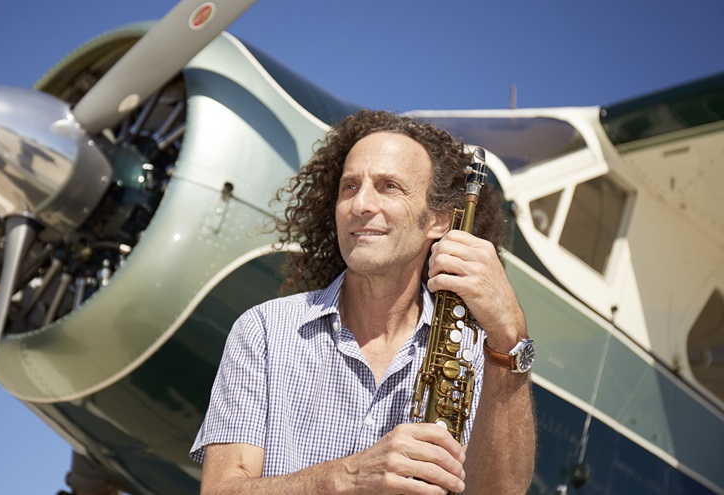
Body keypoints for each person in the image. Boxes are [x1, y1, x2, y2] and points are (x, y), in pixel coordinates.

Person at [190, 110, 536, 494]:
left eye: (389, 186)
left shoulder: (475, 355)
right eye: (350, 187)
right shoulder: (264, 331)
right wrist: (348, 478)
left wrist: (509, 336)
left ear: (438, 220)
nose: (361, 205)